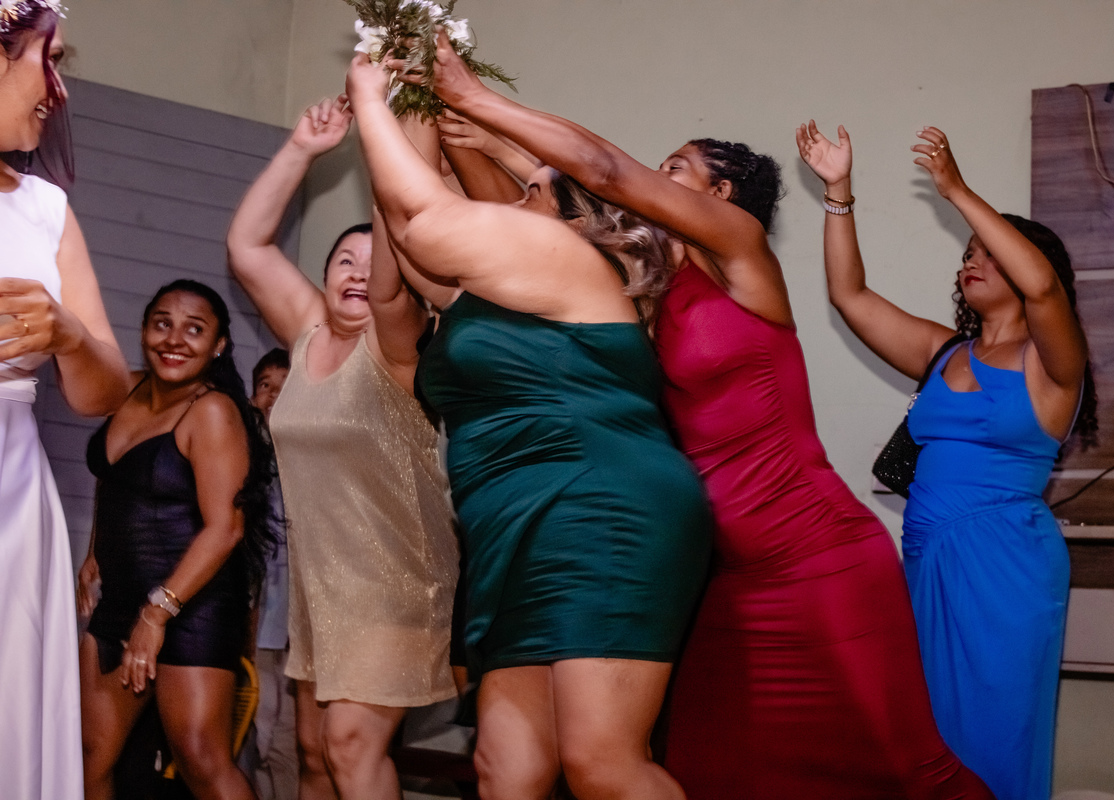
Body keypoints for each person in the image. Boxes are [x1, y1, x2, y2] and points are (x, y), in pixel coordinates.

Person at [411, 31, 995, 799]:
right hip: (710, 573)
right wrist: (471, 138)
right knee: (715, 771)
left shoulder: (743, 259)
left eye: (672, 169)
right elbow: (522, 227)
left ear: (716, 196)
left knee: (905, 767)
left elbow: (603, 171)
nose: (651, 180)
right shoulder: (633, 292)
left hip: (816, 557)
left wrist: (478, 99)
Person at [347, 53, 713, 800]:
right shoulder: (494, 293)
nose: (509, 202)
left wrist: (366, 96)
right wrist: (411, 100)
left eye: (530, 191)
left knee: (602, 763)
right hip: (512, 528)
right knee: (506, 769)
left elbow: (422, 220)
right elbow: (407, 236)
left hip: (595, 510)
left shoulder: (566, 257)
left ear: (575, 219)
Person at [798, 121, 1095, 800]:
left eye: (990, 251)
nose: (973, 261)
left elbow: (1045, 291)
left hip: (1006, 564)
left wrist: (957, 190)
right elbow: (850, 296)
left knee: (995, 731)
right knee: (925, 733)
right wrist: (838, 192)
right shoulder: (942, 352)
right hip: (928, 556)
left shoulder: (1054, 363)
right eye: (968, 252)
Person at [226, 95, 459, 800]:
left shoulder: (397, 345)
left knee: (352, 749)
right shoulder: (305, 334)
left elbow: (395, 271)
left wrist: (396, 143)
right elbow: (248, 247)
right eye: (343, 260)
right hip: (320, 582)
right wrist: (301, 148)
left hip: (396, 579)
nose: (357, 272)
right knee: (314, 755)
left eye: (373, 261)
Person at [0, 4, 131, 798]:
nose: (59, 89)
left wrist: (70, 335)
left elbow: (106, 391)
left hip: (12, 502)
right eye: (45, 61)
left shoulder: (44, 209)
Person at [76, 280, 274, 800]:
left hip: (191, 605)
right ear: (144, 329)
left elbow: (226, 527)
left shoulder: (211, 411)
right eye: (162, 323)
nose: (174, 339)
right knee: (92, 753)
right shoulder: (126, 390)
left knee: (201, 761)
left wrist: (156, 614)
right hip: (122, 599)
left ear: (218, 346)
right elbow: (114, 475)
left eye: (195, 329)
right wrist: (95, 549)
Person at [247, 347, 300, 800]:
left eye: (286, 389)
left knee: (286, 744)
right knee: (256, 735)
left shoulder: (311, 461)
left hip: (298, 633)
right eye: (265, 386)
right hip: (257, 628)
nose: (273, 397)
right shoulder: (242, 458)